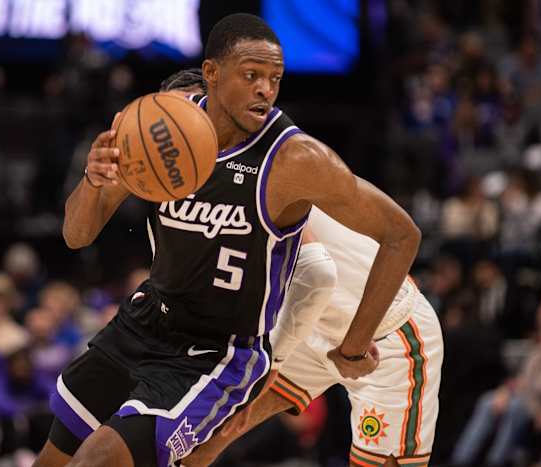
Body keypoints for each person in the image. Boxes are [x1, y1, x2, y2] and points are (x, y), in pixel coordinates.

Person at [33, 13, 421, 467]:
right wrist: (94, 180)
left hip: (213, 353)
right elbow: (76, 235)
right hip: (143, 323)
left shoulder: (295, 159)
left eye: (274, 78)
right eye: (251, 75)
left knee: (96, 461)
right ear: (212, 74)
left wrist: (353, 347)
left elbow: (400, 234)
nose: (265, 89)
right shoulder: (161, 134)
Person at [179, 206, 442, 467]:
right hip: (307, 323)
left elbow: (316, 273)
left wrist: (352, 348)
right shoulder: (181, 205)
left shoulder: (270, 179)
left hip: (386, 331)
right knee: (198, 438)